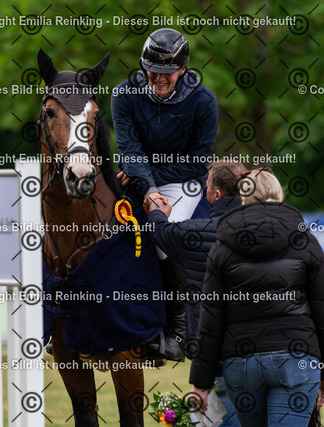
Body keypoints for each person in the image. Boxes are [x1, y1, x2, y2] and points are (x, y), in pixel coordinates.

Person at [189, 168, 324, 426]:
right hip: (297, 358)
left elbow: (210, 319)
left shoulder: (221, 247)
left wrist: (200, 383)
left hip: (241, 365)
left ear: (243, 200)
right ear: (279, 196)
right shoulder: (306, 240)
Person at [112, 28, 219, 361]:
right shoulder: (123, 95)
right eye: (152, 71)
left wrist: (147, 179)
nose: (158, 78)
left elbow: (198, 162)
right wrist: (146, 184)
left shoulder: (203, 101)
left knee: (163, 239)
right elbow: (129, 150)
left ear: (182, 69)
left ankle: (176, 331)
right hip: (137, 176)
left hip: (183, 181)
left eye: (167, 72)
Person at [147, 160, 246, 427]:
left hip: (218, 359)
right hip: (270, 353)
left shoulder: (195, 232)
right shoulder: (270, 230)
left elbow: (161, 232)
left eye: (206, 188)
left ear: (215, 195)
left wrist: (156, 211)